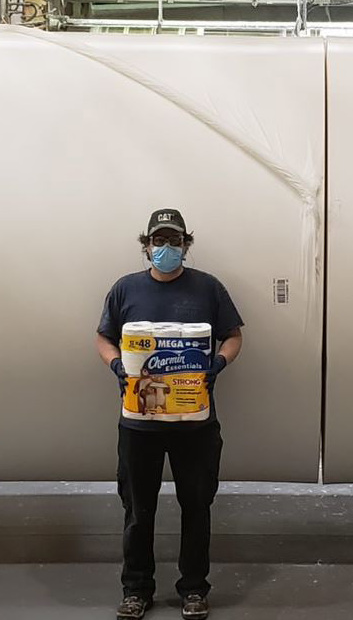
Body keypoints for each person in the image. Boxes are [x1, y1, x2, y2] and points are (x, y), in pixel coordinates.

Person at [96, 209, 244, 620]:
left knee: (196, 506)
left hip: (194, 424)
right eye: (158, 241)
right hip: (139, 424)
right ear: (146, 245)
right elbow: (103, 337)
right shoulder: (125, 289)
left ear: (186, 245)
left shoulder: (208, 289)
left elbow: (233, 336)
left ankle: (194, 589)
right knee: (137, 510)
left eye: (174, 241)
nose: (165, 248)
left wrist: (218, 363)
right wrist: (115, 365)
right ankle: (136, 590)